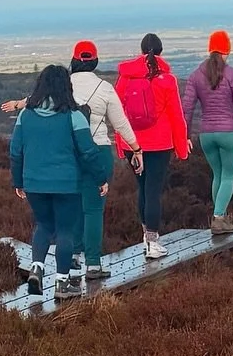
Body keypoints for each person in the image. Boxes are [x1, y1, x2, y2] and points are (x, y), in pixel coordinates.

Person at [10, 64, 109, 298]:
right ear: (67, 86)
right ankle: (62, 283)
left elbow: (15, 151)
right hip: (66, 184)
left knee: (44, 226)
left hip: (33, 183)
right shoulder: (74, 116)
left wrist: (17, 181)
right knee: (65, 231)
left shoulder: (26, 114)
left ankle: (37, 268)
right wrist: (100, 178)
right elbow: (88, 152)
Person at [67, 41, 138, 283]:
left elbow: (37, 104)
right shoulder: (105, 88)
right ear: (95, 61)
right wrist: (136, 148)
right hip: (98, 151)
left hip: (69, 153)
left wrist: (18, 104)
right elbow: (120, 123)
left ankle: (73, 257)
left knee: (73, 205)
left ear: (74, 59)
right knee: (94, 210)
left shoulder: (62, 87)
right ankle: (93, 265)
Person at [115, 34, 190, 260]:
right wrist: (181, 148)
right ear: (160, 52)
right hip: (159, 144)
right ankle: (153, 242)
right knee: (153, 191)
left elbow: (118, 114)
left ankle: (145, 238)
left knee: (143, 189)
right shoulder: (167, 80)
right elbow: (177, 116)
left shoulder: (125, 79)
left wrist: (121, 144)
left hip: (132, 144)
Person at [182, 31, 233, 236]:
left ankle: (218, 216)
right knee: (229, 176)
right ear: (227, 50)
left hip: (206, 134)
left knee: (218, 175)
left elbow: (187, 107)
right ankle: (219, 218)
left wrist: (185, 134)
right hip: (228, 132)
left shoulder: (196, 75)